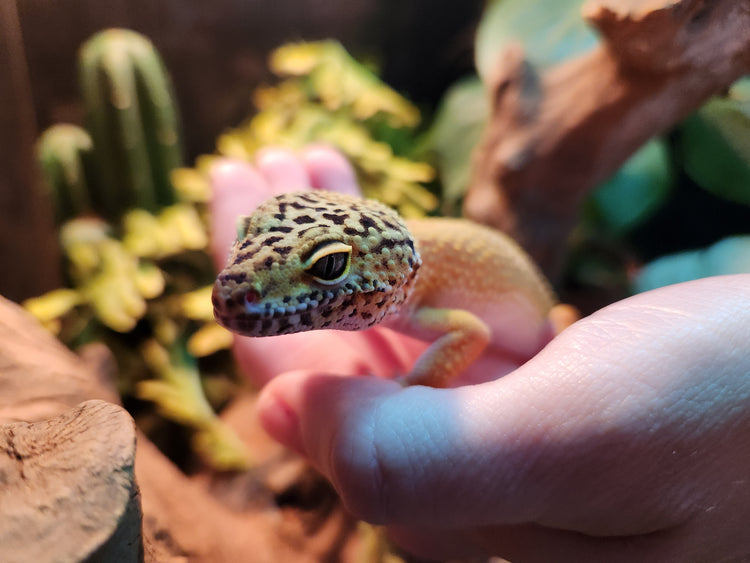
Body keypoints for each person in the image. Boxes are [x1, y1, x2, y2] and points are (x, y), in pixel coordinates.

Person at [210, 146, 750, 563]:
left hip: (547, 330)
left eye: (329, 267)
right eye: (247, 239)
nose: (246, 288)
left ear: (395, 277)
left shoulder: (422, 308)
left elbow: (469, 334)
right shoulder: (402, 285)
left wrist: (413, 386)